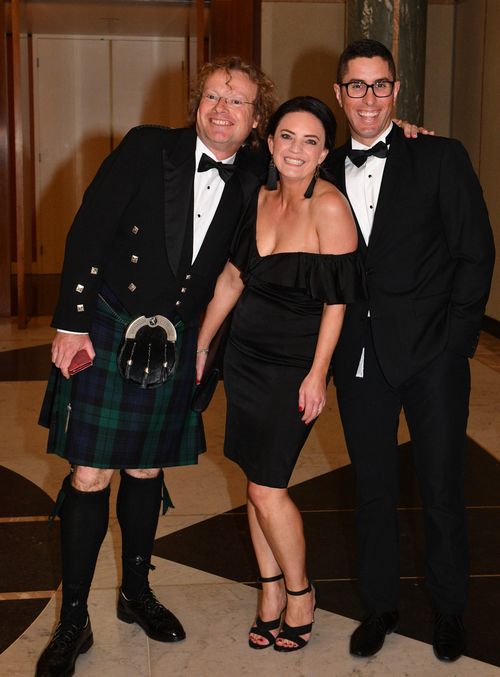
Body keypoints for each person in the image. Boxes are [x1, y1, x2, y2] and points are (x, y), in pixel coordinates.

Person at [36, 56, 277, 677]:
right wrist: (71, 322)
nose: (223, 109)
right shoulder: (150, 148)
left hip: (176, 339)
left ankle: (135, 593)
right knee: (89, 474)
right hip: (111, 325)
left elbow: (320, 157)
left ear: (256, 119)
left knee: (145, 470)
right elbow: (89, 228)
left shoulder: (256, 171)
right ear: (198, 100)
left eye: (239, 101)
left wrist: (398, 131)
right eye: (214, 96)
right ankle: (73, 620)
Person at [329, 39, 495, 662]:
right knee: (370, 490)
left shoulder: (441, 157)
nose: (367, 98)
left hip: (432, 357)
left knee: (443, 488)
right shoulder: (319, 168)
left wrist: (454, 346)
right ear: (340, 93)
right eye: (355, 86)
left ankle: (450, 609)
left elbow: (475, 253)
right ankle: (380, 607)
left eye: (379, 85)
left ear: (396, 91)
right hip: (359, 360)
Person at [196, 96, 363, 653]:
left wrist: (318, 375)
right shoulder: (262, 199)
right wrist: (200, 346)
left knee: (270, 487)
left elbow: (339, 304)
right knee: (255, 478)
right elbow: (230, 280)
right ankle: (269, 592)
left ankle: (300, 593)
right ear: (269, 144)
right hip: (244, 358)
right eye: (287, 137)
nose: (296, 149)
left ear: (323, 154)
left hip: (293, 368)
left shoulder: (331, 209)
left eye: (311, 141)